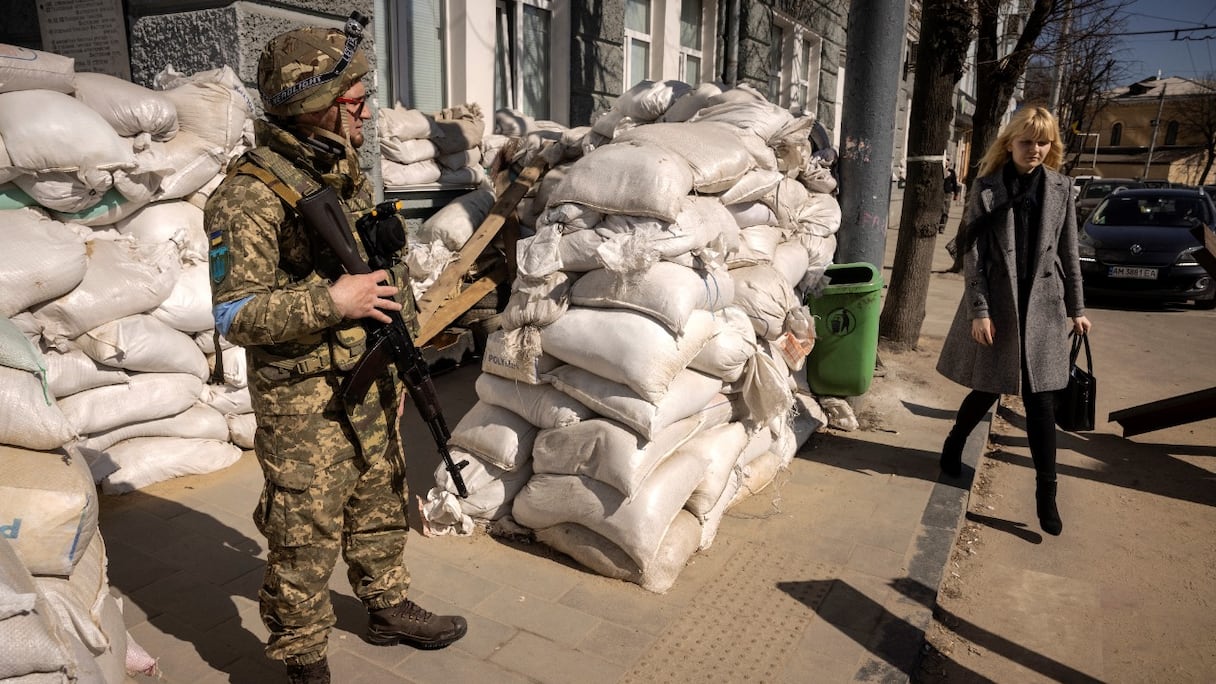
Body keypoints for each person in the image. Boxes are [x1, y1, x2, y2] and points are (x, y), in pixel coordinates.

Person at [205, 14, 466, 683]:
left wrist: (400, 336)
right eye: (354, 101)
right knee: (304, 529)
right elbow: (234, 313)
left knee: (381, 496)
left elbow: (372, 263)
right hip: (305, 399)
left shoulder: (337, 161)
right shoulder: (245, 198)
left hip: (370, 369)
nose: (368, 111)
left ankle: (386, 606)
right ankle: (301, 656)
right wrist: (333, 303)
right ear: (313, 108)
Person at [935, 105, 1092, 537]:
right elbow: (973, 258)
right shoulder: (986, 188)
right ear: (1010, 144)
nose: (1036, 150)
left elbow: (1069, 254)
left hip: (1043, 308)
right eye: (1027, 141)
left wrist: (1077, 309)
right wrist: (979, 311)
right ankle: (954, 442)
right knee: (987, 388)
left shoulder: (1061, 188)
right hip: (1001, 308)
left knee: (1041, 401)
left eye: (1043, 142)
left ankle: (1047, 493)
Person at [940, 164, 960, 234]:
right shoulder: (939, 170)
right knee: (940, 209)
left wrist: (956, 194)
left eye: (947, 161)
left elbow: (954, 183)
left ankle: (942, 227)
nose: (946, 162)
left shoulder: (951, 172)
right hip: (938, 193)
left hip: (947, 193)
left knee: (945, 210)